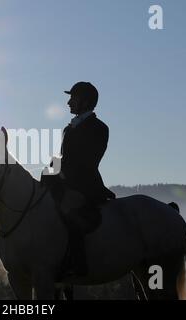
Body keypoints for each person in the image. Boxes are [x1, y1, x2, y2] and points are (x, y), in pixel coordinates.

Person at [42, 81, 115, 276]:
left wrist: (61, 175)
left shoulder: (99, 128)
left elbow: (88, 162)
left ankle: (77, 262)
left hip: (85, 185)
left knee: (69, 213)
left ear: (85, 101)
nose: (68, 103)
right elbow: (62, 159)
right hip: (65, 183)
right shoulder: (68, 129)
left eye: (72, 98)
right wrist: (49, 171)